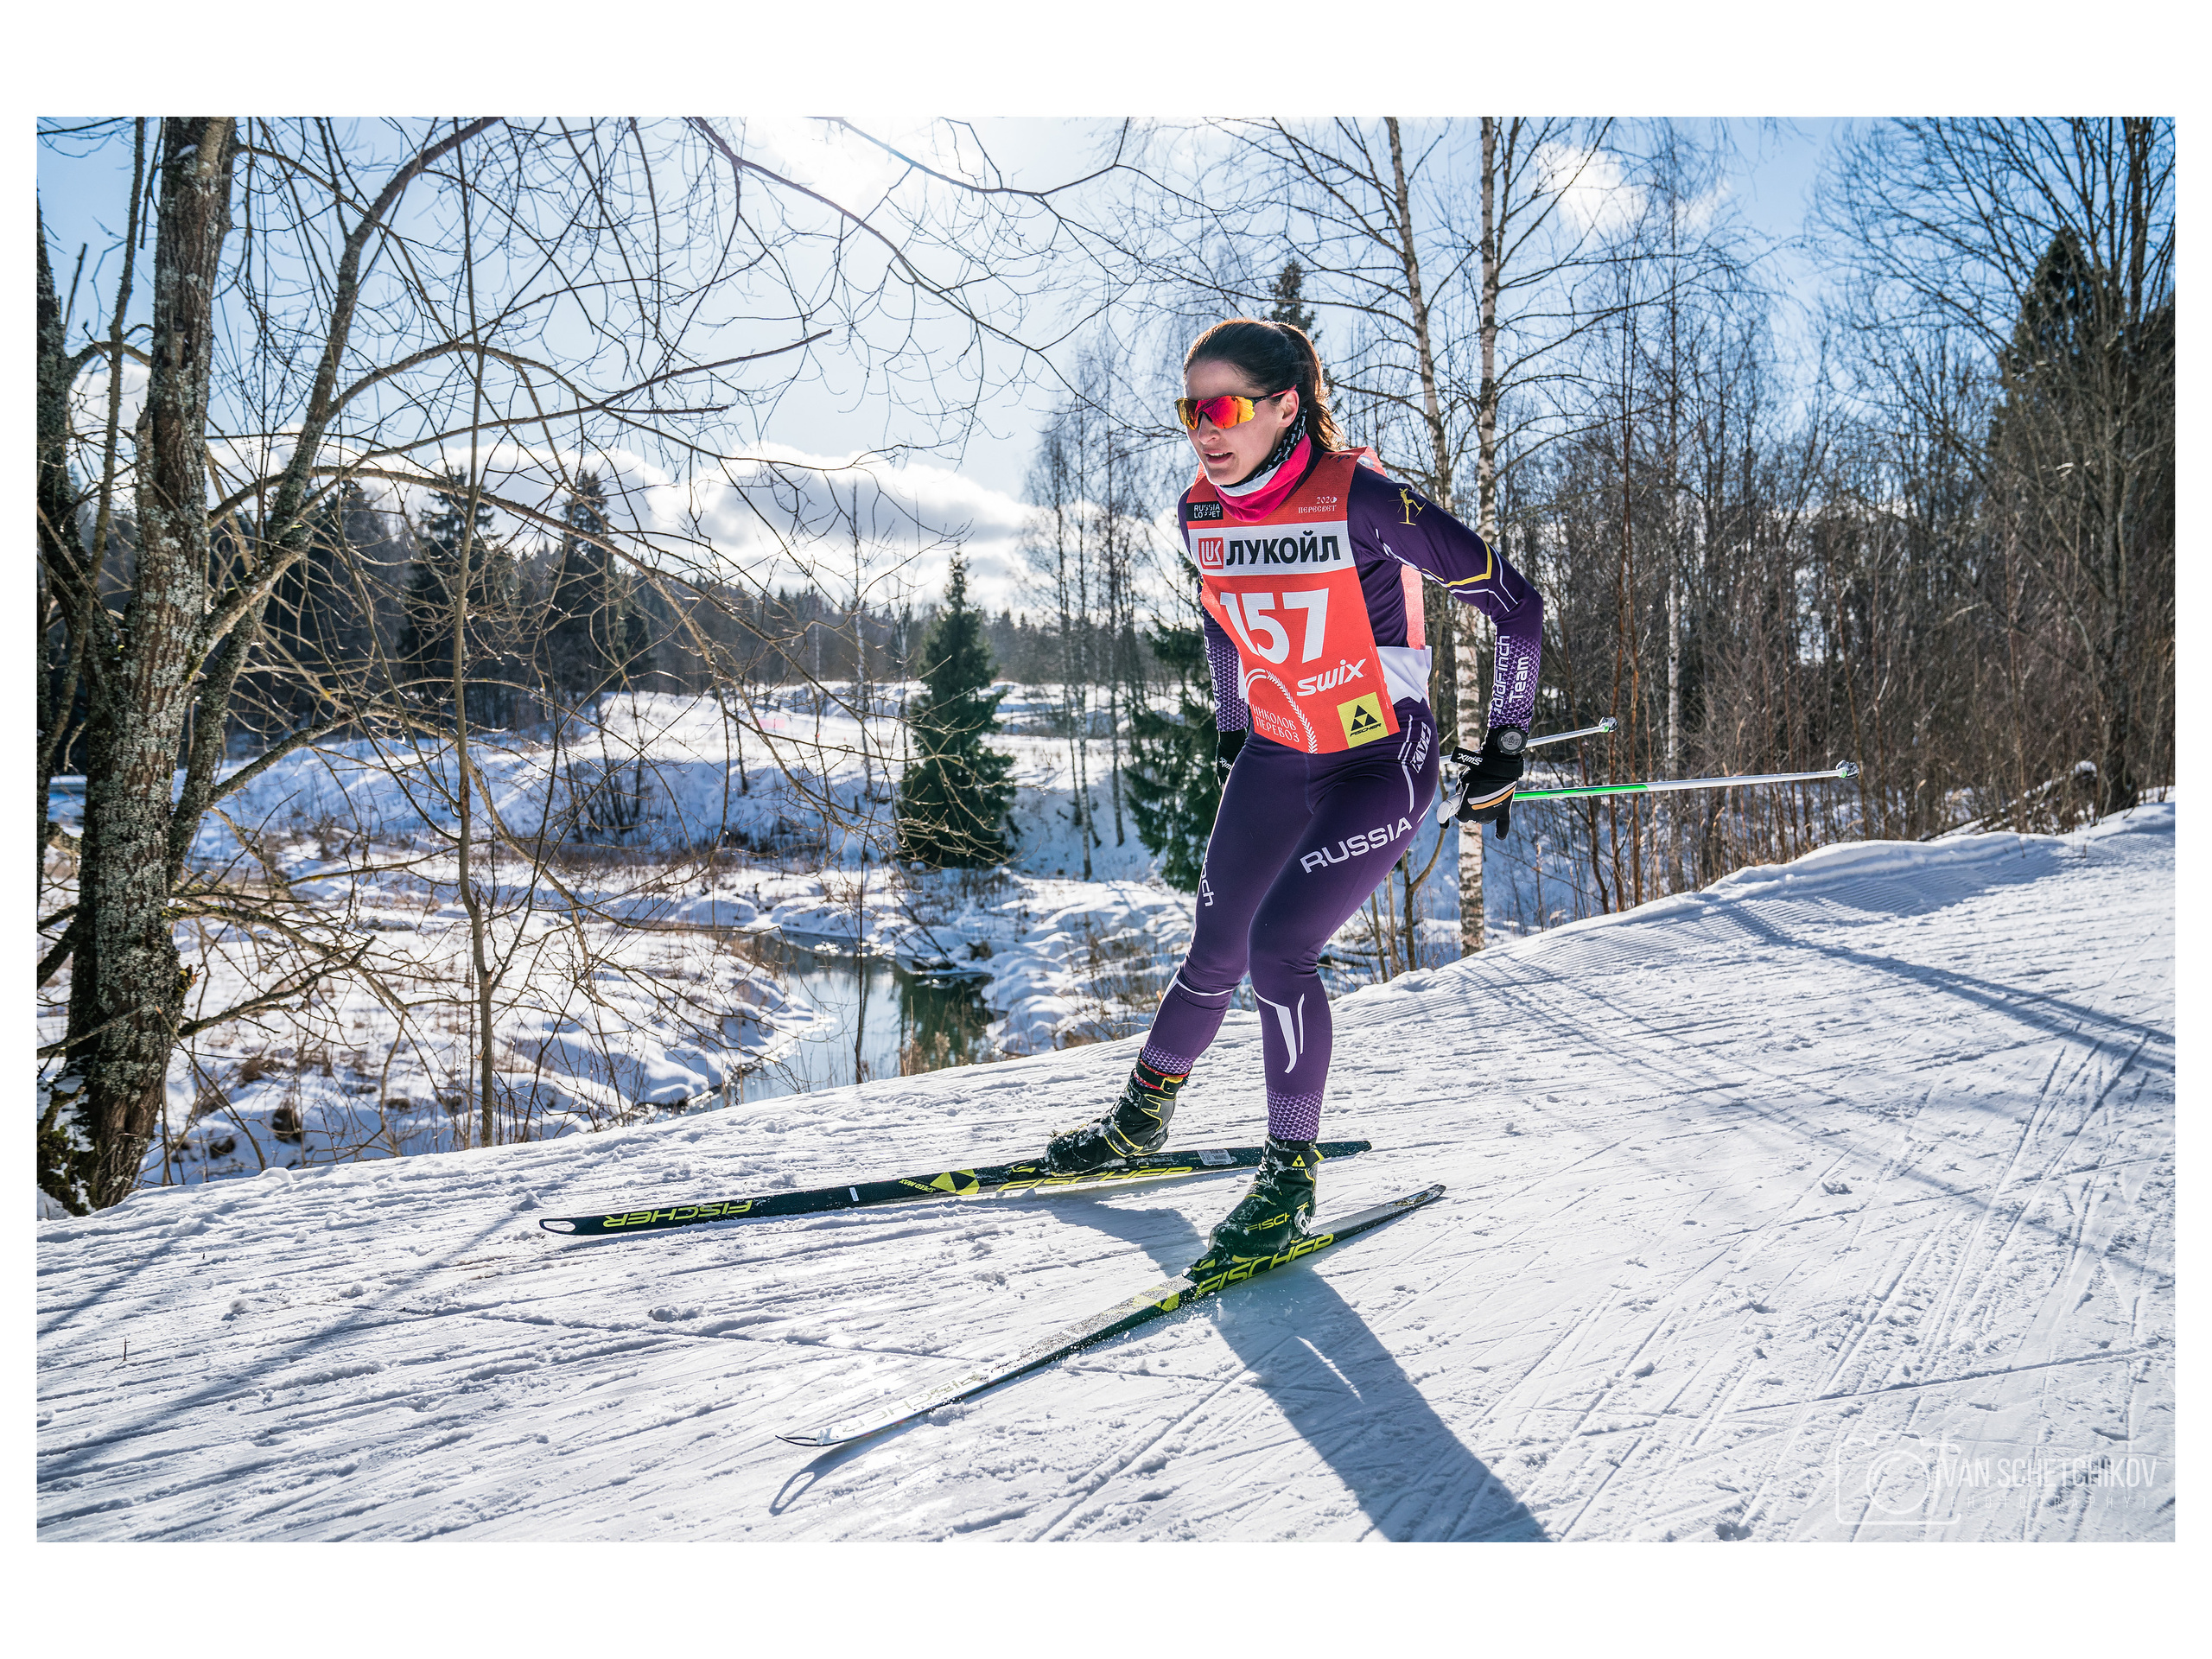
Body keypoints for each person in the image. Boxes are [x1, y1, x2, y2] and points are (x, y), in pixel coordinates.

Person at [1044, 318, 1544, 1272]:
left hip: (1376, 760)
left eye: (1224, 406)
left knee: (1280, 950)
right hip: (1276, 755)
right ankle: (1139, 1123)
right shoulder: (1200, 511)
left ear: (1284, 407)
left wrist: (1507, 741)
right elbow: (1219, 618)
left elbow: (1514, 608)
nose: (1203, 427)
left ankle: (1288, 1174)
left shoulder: (1361, 497)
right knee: (1212, 951)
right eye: (1189, 408)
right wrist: (1235, 720)